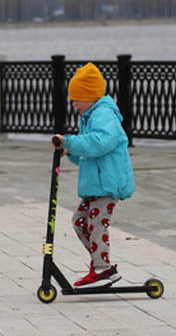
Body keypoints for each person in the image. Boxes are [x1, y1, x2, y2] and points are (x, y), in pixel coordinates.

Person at [51, 62, 135, 288]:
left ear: (90, 96)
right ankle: (104, 266)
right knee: (80, 221)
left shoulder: (104, 114)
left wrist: (70, 141)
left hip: (108, 184)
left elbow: (100, 143)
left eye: (77, 99)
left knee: (96, 223)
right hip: (96, 185)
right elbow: (87, 154)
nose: (74, 104)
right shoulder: (89, 118)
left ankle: (101, 269)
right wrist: (69, 151)